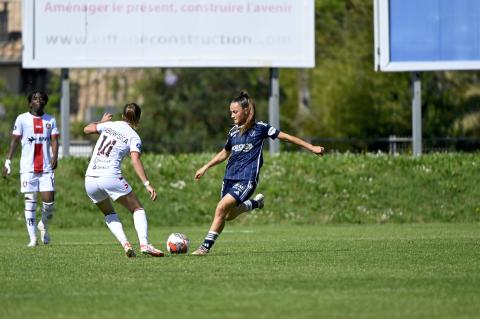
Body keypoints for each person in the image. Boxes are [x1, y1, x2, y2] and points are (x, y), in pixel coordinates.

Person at [192, 91, 324, 255]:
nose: (232, 116)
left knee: (220, 208)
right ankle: (255, 204)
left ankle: (204, 248)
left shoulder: (261, 128)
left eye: (235, 112)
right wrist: (205, 167)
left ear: (246, 110)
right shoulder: (233, 132)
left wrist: (311, 148)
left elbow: (287, 137)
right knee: (227, 216)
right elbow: (224, 153)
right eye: (231, 112)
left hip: (247, 179)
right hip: (229, 178)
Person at [83, 103, 163, 257]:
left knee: (108, 213)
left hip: (90, 179)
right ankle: (144, 244)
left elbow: (87, 129)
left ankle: (125, 244)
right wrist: (147, 184)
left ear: (122, 115)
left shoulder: (109, 125)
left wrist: (102, 122)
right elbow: (135, 161)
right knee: (137, 209)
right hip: (110, 176)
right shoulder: (134, 136)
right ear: (138, 119)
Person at [3, 91, 59, 247]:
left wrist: (55, 156)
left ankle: (43, 226)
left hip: (46, 168)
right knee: (30, 202)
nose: (38, 100)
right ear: (30, 103)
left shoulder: (51, 120)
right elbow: (14, 141)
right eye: (35, 98)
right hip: (28, 168)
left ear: (45, 102)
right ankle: (33, 238)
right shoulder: (22, 119)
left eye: (41, 98)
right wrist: (8, 162)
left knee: (49, 204)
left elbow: (55, 140)